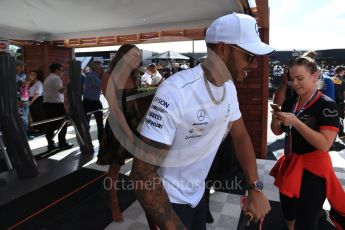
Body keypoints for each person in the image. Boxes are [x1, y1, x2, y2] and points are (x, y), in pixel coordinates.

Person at [129, 13, 274, 229]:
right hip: (168, 201)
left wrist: (256, 188)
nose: (254, 65)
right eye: (249, 56)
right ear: (223, 50)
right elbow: (141, 174)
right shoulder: (176, 91)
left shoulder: (229, 88)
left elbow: (241, 136)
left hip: (197, 195)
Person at [270, 56, 345, 229]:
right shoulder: (291, 101)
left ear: (314, 76)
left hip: (314, 171)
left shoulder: (327, 105)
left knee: (306, 219)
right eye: (292, 78)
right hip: (290, 162)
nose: (294, 84)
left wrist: (296, 122)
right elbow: (277, 131)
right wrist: (276, 119)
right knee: (287, 211)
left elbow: (325, 144)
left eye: (300, 78)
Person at [96, 44, 143, 222]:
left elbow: (135, 102)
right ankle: (113, 201)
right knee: (115, 167)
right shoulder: (109, 76)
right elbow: (115, 108)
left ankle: (142, 192)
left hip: (135, 122)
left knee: (141, 162)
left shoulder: (134, 75)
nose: (137, 59)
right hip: (118, 125)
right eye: (133, 56)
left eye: (138, 56)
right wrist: (129, 135)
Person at [43, 63, 73, 151]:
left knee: (50, 125)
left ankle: (50, 144)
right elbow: (61, 90)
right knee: (63, 124)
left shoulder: (48, 78)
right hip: (56, 105)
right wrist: (69, 86)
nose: (63, 72)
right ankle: (62, 143)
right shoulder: (56, 78)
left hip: (47, 104)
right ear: (57, 70)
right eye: (62, 70)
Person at [82, 60, 104, 144]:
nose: (102, 69)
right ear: (95, 68)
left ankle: (89, 140)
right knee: (97, 122)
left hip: (91, 101)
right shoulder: (92, 76)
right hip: (91, 102)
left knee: (97, 122)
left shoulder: (93, 76)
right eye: (100, 67)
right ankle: (96, 140)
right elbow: (102, 85)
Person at [333, 65, 345, 137]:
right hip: (339, 102)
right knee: (340, 118)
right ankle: (341, 132)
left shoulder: (332, 79)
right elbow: (344, 93)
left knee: (335, 117)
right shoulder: (342, 81)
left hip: (332, 101)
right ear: (342, 71)